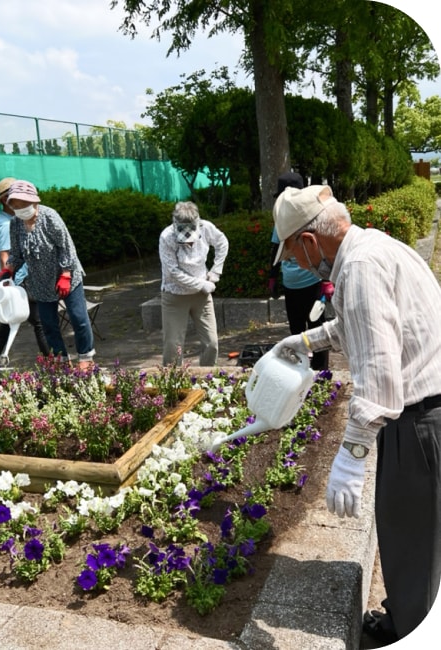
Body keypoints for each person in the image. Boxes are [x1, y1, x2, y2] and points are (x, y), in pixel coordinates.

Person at [270, 184, 441, 644]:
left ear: (309, 241)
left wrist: (352, 454)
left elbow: (380, 374)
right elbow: (359, 323)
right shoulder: (371, 247)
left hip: (422, 423)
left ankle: (411, 632)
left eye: (290, 253)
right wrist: (307, 341)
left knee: (412, 539)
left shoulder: (360, 268)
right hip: (426, 415)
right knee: (413, 534)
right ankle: (402, 616)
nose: (293, 264)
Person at [5, 180, 95, 370]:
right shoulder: (15, 224)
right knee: (48, 325)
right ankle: (62, 361)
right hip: (39, 281)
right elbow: (16, 253)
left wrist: (66, 274)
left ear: (34, 202)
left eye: (23, 204)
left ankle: (86, 357)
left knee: (78, 318)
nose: (20, 209)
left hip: (66, 276)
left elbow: (67, 247)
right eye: (16, 206)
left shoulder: (49, 216)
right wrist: (9, 268)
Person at [0, 178, 50, 374]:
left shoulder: (11, 221)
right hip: (19, 283)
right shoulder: (5, 225)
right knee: (40, 321)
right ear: (6, 200)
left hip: (19, 282)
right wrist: (10, 285)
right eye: (17, 199)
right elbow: (5, 257)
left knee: (8, 324)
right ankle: (54, 364)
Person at [268, 172, 330, 370]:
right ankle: (301, 371)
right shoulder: (281, 222)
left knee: (317, 329)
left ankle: (321, 373)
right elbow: (274, 252)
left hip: (312, 282)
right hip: (291, 284)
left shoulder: (311, 218)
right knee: (296, 331)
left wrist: (327, 280)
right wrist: (273, 279)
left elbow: (324, 249)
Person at [159, 201, 228, 366]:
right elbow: (173, 273)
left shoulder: (205, 228)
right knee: (173, 346)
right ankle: (173, 383)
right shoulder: (166, 237)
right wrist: (201, 284)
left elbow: (222, 243)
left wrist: (216, 271)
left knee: (211, 344)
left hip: (201, 297)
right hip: (174, 296)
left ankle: (206, 379)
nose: (189, 242)